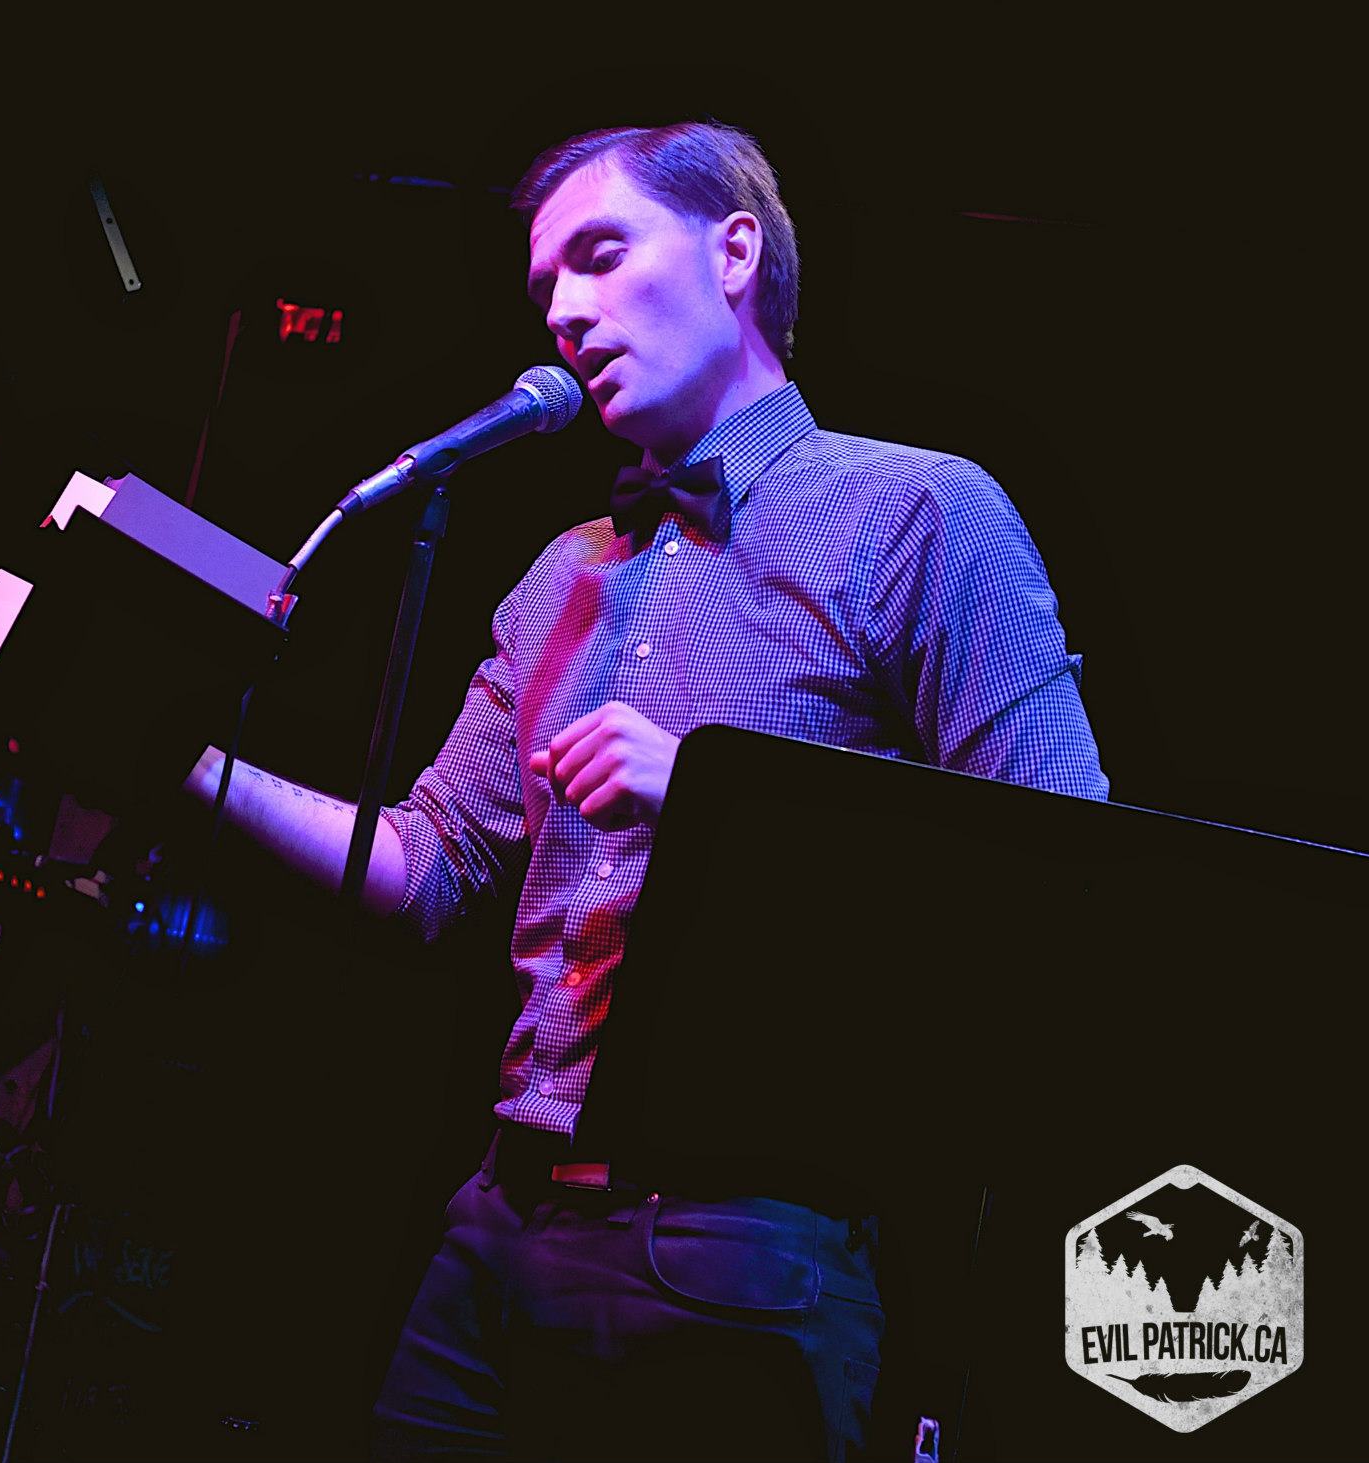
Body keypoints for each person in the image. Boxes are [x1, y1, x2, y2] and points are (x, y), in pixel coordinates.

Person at [185, 119, 1107, 1460]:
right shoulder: (560, 578)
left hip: (746, 1230)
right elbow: (423, 864)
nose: (564, 310)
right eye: (544, 285)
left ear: (735, 253)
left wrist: (719, 800)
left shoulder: (920, 514)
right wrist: (181, 765)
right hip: (499, 1215)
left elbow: (1060, 866)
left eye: (602, 254)